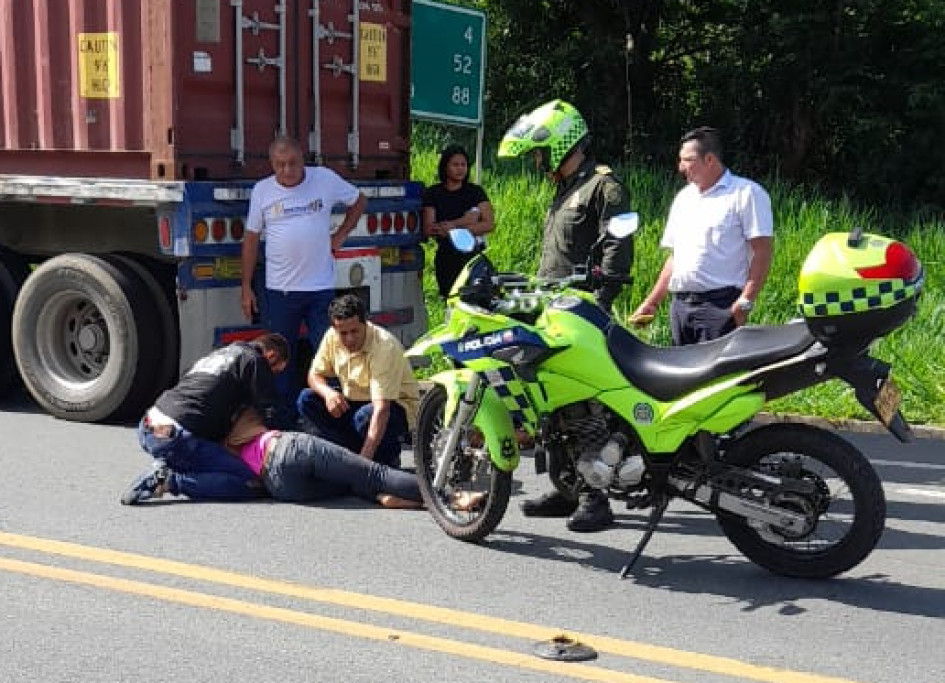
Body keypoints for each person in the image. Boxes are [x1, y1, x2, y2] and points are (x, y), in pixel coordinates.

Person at [497, 99, 634, 532]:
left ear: (561, 145)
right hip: (551, 308)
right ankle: (567, 487)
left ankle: (597, 499)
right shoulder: (565, 188)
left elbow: (617, 247)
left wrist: (604, 296)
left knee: (581, 404)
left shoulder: (603, 187)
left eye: (540, 153)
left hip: (581, 311)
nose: (538, 163)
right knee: (552, 404)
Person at [241, 135, 368, 414]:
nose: (287, 170)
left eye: (293, 163)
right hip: (280, 290)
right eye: (279, 165)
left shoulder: (323, 179)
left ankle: (335, 415)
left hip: (319, 289)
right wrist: (246, 286)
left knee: (331, 353)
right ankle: (284, 419)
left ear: (303, 159)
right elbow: (251, 240)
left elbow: (359, 200)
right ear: (272, 164)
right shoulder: (262, 191)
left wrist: (341, 234)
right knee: (279, 359)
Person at [629, 126, 774, 345]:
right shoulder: (683, 199)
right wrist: (652, 302)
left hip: (721, 306)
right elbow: (675, 258)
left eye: (687, 160)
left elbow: (763, 252)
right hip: (680, 307)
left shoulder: (746, 194)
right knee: (683, 377)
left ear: (710, 160)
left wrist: (745, 302)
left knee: (719, 378)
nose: (680, 167)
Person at [120, 333, 290, 505]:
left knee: (201, 455)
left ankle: (168, 464)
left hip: (148, 427)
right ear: (271, 356)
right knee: (251, 482)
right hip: (178, 437)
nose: (273, 376)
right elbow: (271, 411)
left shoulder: (219, 353)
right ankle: (170, 481)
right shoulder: (254, 360)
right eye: (275, 371)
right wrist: (290, 435)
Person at [296, 294, 419, 469]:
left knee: (366, 416)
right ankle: (345, 456)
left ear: (365, 324)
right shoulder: (331, 336)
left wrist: (362, 465)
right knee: (307, 399)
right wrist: (328, 393)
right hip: (354, 402)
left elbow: (382, 409)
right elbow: (314, 376)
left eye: (355, 331)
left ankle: (382, 458)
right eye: (343, 333)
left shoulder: (384, 346)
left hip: (392, 408)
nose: (349, 339)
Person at [421, 144, 495, 297]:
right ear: (445, 166)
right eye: (455, 164)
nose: (460, 169)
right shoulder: (434, 193)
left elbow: (488, 224)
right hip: (446, 258)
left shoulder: (475, 192)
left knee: (477, 302)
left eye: (464, 165)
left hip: (472, 257)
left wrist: (455, 226)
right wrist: (468, 221)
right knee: (450, 301)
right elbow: (429, 228)